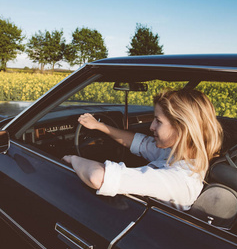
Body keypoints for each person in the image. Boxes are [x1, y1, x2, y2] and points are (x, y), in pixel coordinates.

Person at [63, 89, 223, 210]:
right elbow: (139, 143)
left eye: (158, 121)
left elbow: (97, 177)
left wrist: (73, 159)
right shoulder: (180, 155)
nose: (151, 127)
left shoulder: (178, 180)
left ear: (182, 128)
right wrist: (100, 126)